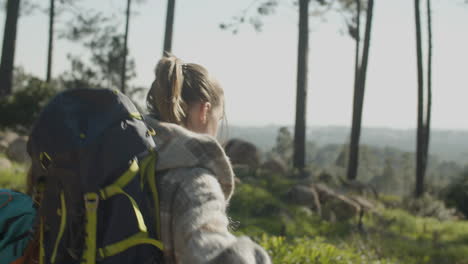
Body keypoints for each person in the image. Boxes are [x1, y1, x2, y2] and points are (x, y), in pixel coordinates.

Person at [144, 54, 271, 263]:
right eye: (218, 119)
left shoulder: (128, 159)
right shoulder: (194, 181)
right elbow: (212, 253)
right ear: (205, 111)